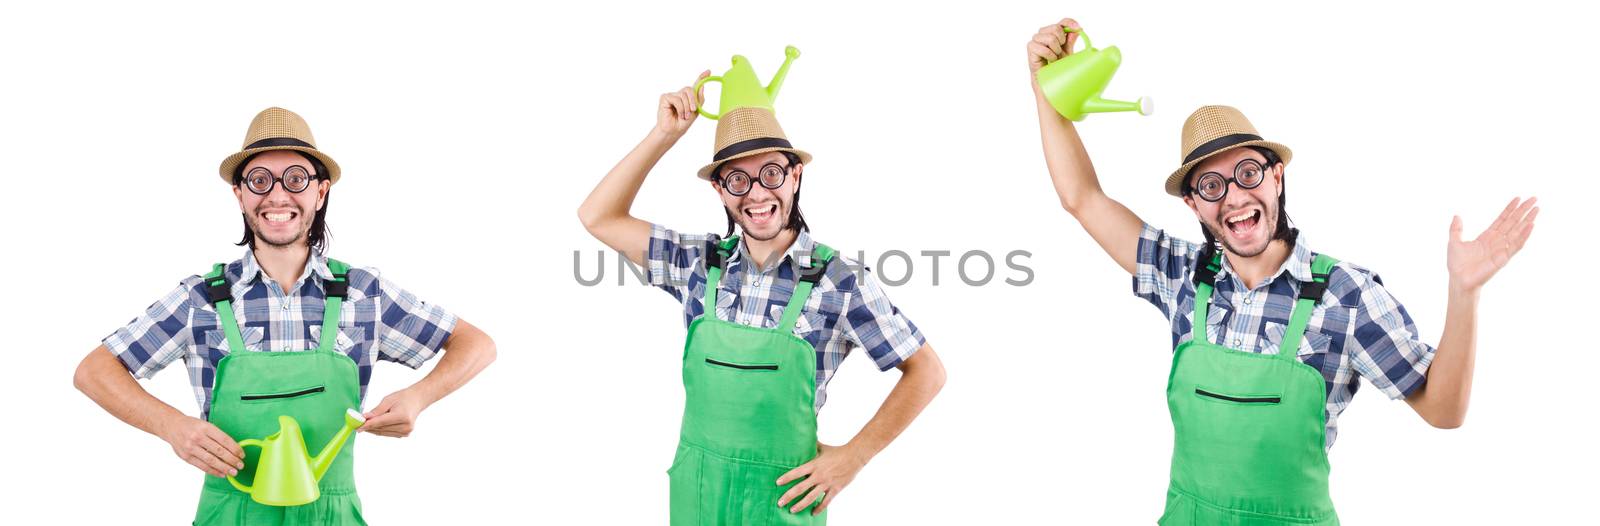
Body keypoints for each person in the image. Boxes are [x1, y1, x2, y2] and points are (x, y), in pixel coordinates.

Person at [1027, 18, 1537, 524]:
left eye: (1247, 173)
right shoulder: (1183, 276)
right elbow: (1083, 199)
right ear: (1193, 205)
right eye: (1211, 186)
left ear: (1276, 175)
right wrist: (1046, 89)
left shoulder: (1346, 295)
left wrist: (1464, 293)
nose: (1234, 197)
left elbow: (1443, 411)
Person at [73, 107, 497, 525]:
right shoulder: (199, 299)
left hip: (332, 513)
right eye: (259, 181)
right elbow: (95, 370)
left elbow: (476, 344)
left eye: (296, 179)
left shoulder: (365, 293)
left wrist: (418, 397)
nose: (277, 196)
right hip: (231, 513)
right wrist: (172, 427)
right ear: (240, 195)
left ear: (321, 191)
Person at [578, 72, 946, 524]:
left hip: (782, 503)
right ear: (719, 190)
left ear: (795, 176)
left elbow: (926, 370)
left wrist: (853, 458)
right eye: (737, 180)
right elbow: (598, 216)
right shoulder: (697, 263)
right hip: (699, 496)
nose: (756, 193)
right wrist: (664, 135)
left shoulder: (841, 281)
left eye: (771, 173)